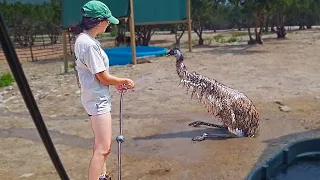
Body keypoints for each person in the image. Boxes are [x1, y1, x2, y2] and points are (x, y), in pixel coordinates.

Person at [69, 1, 135, 180]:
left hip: (93, 96)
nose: (109, 24)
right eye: (108, 21)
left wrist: (114, 83)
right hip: (97, 100)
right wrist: (122, 80)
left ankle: (102, 176)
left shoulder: (85, 40)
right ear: (99, 22)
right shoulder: (88, 45)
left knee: (100, 143)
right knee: (104, 148)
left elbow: (99, 76)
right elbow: (103, 77)